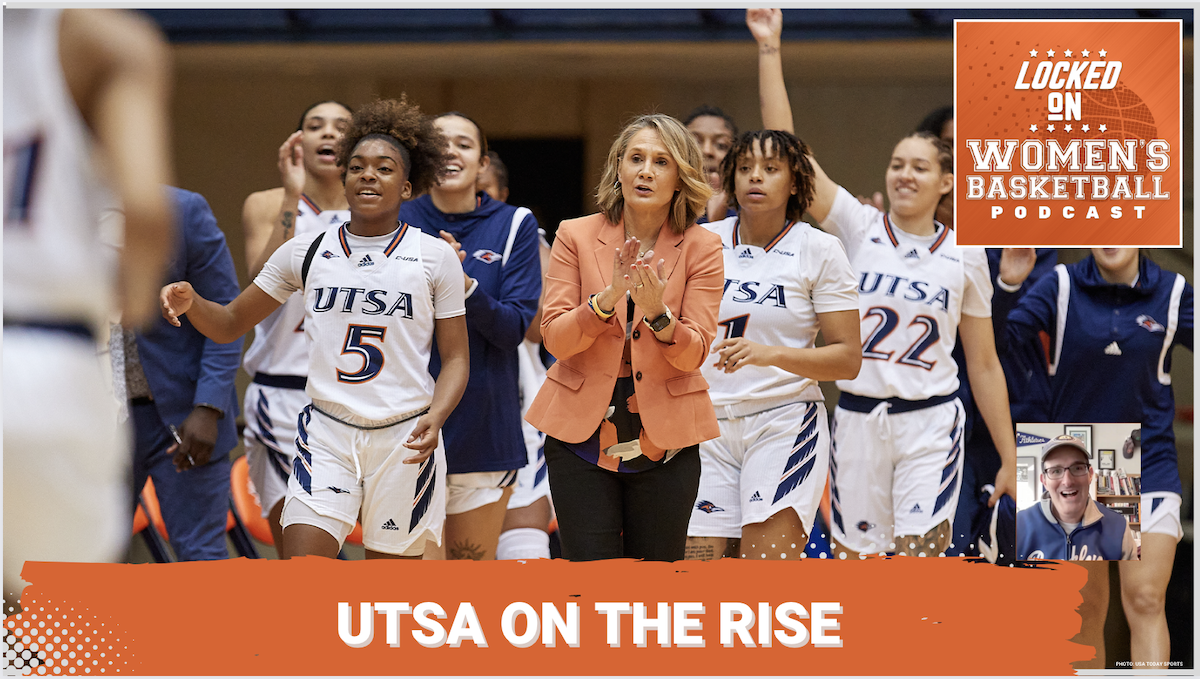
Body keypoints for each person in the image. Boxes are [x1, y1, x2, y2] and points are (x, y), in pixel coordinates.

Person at [753, 7, 1017, 557]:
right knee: (858, 569)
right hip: (856, 418)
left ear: (947, 182)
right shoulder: (857, 226)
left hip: (930, 421)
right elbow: (786, 149)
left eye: (919, 167)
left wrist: (1011, 456)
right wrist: (769, 48)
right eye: (897, 164)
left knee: (919, 566)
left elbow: (984, 363)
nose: (904, 174)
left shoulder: (967, 255)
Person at [160, 97, 470, 560]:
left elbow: (457, 358)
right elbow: (228, 325)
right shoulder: (304, 251)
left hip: (404, 435)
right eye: (358, 167)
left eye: (384, 169)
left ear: (407, 187)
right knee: (304, 573)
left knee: (388, 600)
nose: (369, 175)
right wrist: (192, 302)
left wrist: (438, 415)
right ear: (342, 179)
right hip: (327, 431)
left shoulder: (434, 256)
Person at [3, 7, 173, 603]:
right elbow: (148, 215)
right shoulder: (105, 40)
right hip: (39, 355)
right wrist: (129, 300)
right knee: (65, 627)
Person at [525, 113, 723, 561]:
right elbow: (554, 338)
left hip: (667, 438)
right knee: (591, 583)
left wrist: (658, 316)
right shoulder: (575, 234)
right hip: (580, 433)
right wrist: (607, 299)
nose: (646, 171)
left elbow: (696, 354)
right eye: (636, 158)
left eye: (660, 161)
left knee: (656, 586)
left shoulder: (703, 247)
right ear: (619, 168)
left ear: (680, 178)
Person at [999, 247, 1192, 665]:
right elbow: (999, 342)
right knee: (1079, 612)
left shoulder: (1174, 291)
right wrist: (1009, 285)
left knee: (1144, 599)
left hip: (1144, 455)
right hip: (1069, 453)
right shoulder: (1060, 284)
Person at [685, 128, 861, 561]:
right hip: (705, 425)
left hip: (783, 420)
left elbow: (848, 358)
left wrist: (770, 355)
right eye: (744, 168)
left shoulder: (820, 249)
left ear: (795, 182)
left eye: (770, 169)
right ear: (729, 180)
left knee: (765, 576)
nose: (755, 178)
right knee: (696, 577)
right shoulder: (699, 242)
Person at [399, 113, 541, 560]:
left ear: (482, 162)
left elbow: (513, 329)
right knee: (411, 594)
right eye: (439, 144)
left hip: (485, 428)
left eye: (463, 144)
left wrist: (463, 284)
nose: (450, 153)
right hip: (403, 428)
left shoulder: (516, 223)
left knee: (465, 588)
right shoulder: (395, 218)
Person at [240, 101, 353, 555]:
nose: (327, 134)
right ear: (298, 142)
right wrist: (292, 194)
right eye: (315, 125)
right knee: (302, 560)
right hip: (284, 395)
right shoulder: (267, 203)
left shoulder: (381, 212)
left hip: (365, 397)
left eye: (342, 126)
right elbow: (263, 280)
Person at [126, 187, 243, 561]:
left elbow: (227, 316)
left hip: (183, 415)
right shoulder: (58, 206)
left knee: (201, 558)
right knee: (81, 559)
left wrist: (208, 406)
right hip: (95, 418)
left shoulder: (183, 210)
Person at [475, 151, 556, 560]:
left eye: (484, 191)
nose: (474, 201)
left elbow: (542, 327)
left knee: (524, 564)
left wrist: (476, 282)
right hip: (436, 414)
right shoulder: (414, 238)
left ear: (503, 195)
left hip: (512, 409)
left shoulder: (522, 238)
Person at [1017, 435, 1136, 561]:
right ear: (1044, 481)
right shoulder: (1019, 526)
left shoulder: (1118, 527)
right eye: (1056, 471)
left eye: (1077, 468)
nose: (1067, 482)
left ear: (1090, 475)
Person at [684, 105, 738, 223]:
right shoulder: (661, 209)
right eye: (695, 142)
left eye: (721, 145)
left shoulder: (745, 213)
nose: (706, 151)